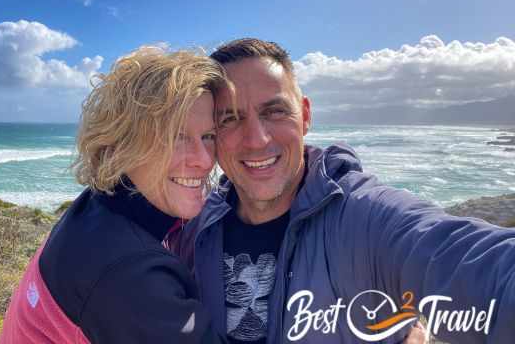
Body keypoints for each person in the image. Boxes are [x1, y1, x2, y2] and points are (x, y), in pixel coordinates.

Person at [171, 38, 515, 344]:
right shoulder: (197, 225)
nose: (257, 139)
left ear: (304, 115)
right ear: (212, 133)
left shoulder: (366, 220)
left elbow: (474, 264)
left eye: (274, 111)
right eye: (230, 118)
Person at [0, 46, 231, 343]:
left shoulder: (95, 208)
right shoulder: (130, 275)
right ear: (124, 144)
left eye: (208, 136)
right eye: (175, 137)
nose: (204, 159)